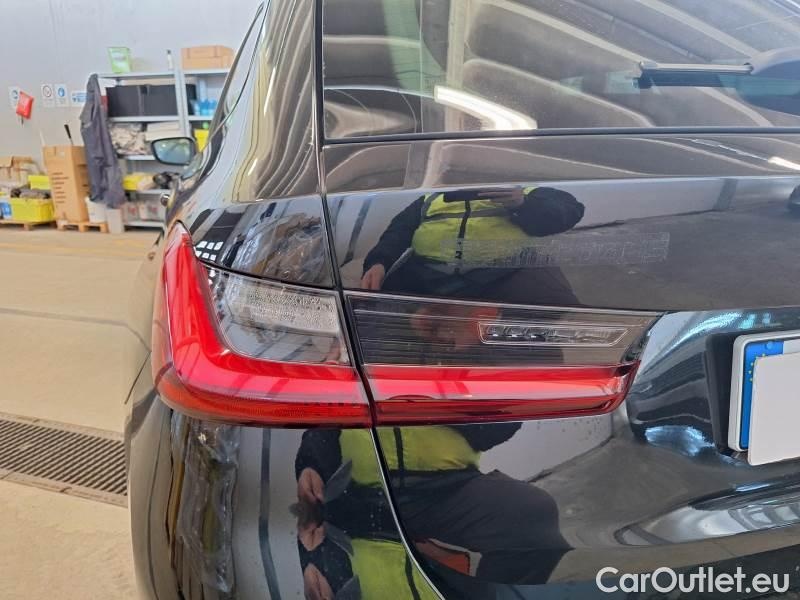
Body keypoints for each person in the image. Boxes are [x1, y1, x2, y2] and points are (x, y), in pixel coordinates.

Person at [360, 185, 585, 305]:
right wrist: (379, 262)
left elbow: (569, 213)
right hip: (426, 275)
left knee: (547, 309)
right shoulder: (431, 197)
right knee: (373, 312)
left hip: (498, 277)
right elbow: (398, 231)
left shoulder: (530, 192)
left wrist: (523, 204)